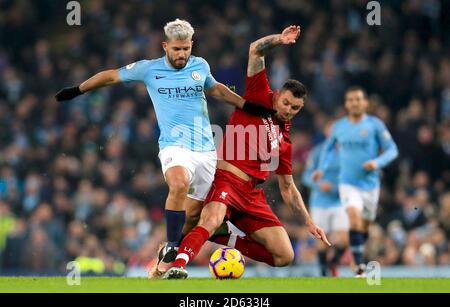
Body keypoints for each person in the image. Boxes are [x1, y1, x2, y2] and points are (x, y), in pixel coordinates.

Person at [54, 19, 271, 277]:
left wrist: (245, 105)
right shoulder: (149, 69)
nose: (182, 54)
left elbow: (217, 91)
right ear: (165, 46)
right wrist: (77, 90)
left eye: (186, 49)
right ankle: (170, 246)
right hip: (174, 146)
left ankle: (160, 267)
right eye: (177, 49)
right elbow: (111, 75)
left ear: (192, 45)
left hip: (206, 151)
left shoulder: (200, 66)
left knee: (192, 218)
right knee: (178, 184)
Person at [162, 25, 330, 279]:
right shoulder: (259, 95)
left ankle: (224, 235)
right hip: (227, 180)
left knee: (284, 255)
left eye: (295, 108)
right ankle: (178, 266)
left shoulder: (285, 139)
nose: (288, 109)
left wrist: (308, 221)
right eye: (285, 102)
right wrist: (280, 40)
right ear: (277, 95)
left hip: (252, 195)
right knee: (210, 218)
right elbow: (255, 51)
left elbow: (287, 187)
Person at [312, 86, 399, 277]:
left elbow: (392, 149)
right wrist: (321, 169)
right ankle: (359, 267)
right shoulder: (339, 127)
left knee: (363, 229)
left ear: (365, 103)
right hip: (348, 183)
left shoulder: (375, 125)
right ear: (346, 104)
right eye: (350, 100)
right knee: (353, 217)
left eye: (358, 99)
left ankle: (335, 260)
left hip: (370, 185)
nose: (354, 103)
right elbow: (327, 149)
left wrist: (377, 162)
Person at [302, 120, 349, 277]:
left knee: (343, 239)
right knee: (321, 241)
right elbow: (306, 177)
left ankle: (332, 263)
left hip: (339, 201)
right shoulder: (317, 152)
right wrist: (319, 185)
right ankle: (323, 272)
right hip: (319, 202)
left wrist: (336, 188)